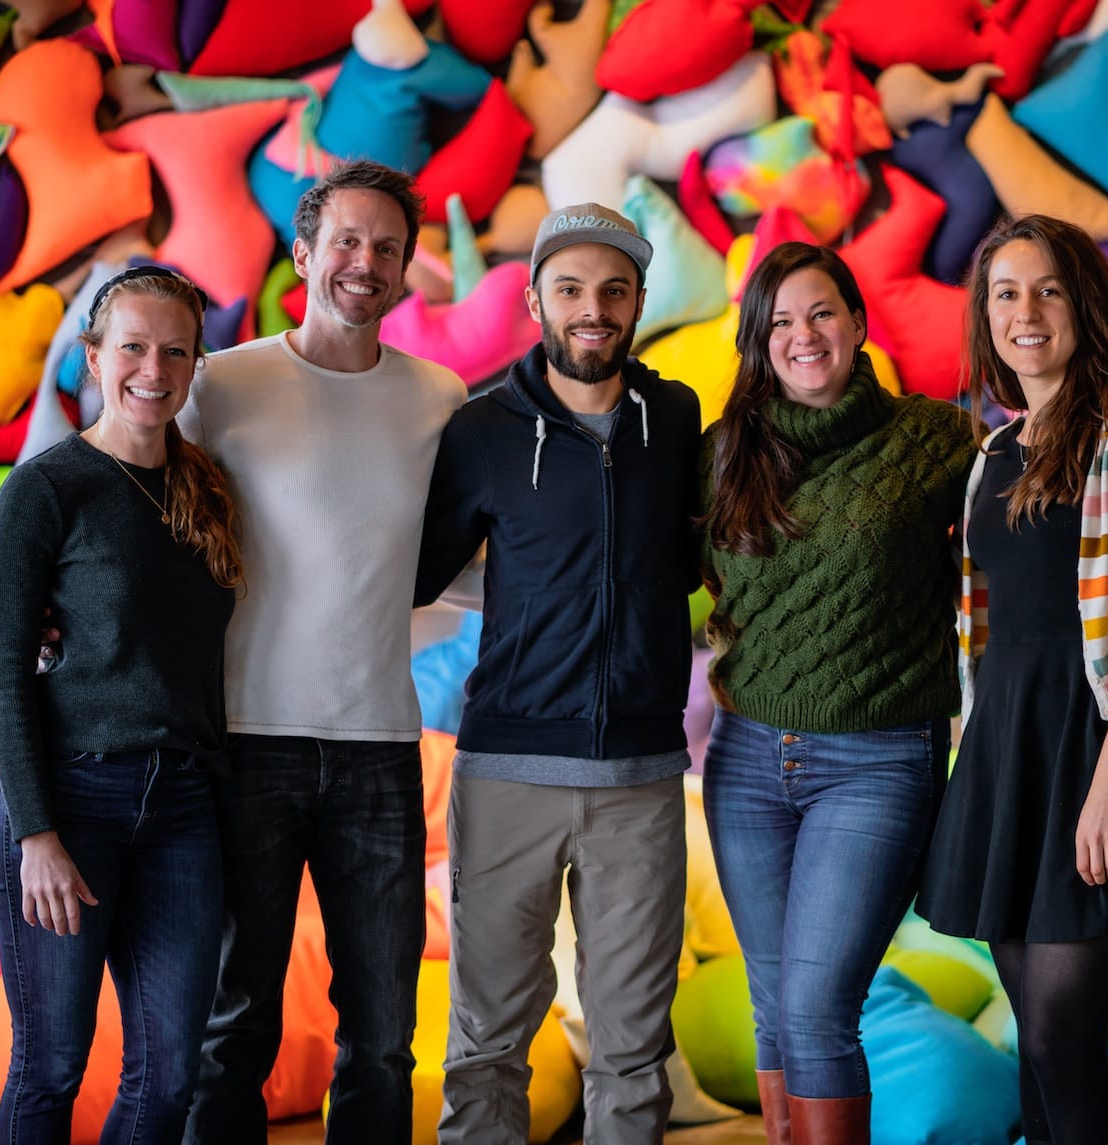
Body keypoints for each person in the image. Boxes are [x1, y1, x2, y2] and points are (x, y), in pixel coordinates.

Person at [180, 161, 466, 1145]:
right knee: (234, 1024)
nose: (366, 262)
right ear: (302, 253)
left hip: (381, 747)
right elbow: (138, 513)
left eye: (387, 247)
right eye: (347, 240)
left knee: (384, 1037)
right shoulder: (219, 382)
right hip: (245, 740)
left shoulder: (440, 396)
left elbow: (461, 559)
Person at [916, 214, 1108, 1145]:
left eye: (1047, 289)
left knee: (1061, 1035)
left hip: (1095, 746)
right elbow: (983, 627)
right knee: (1038, 1053)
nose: (1025, 311)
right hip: (1009, 750)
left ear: (1083, 303)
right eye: (1005, 293)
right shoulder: (991, 455)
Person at [414, 203, 701, 1145]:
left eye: (613, 291)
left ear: (639, 303)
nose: (593, 308)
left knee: (631, 1049)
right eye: (571, 288)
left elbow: (702, 552)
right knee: (487, 1043)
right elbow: (411, 573)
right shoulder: (484, 428)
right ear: (536, 297)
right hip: (506, 774)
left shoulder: (675, 415)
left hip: (643, 780)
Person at [697, 242, 976, 1145]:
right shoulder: (723, 454)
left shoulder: (937, 439)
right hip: (743, 759)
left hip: (879, 759)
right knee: (774, 1004)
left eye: (820, 312)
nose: (802, 334)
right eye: (779, 320)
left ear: (858, 323)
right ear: (758, 341)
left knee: (818, 1009)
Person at [0, 267, 242, 1143]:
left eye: (175, 350)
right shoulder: (43, 491)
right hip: (68, 804)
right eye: (132, 346)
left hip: (182, 811)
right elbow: (4, 680)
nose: (153, 369)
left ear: (197, 364)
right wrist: (36, 835)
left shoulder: (206, 488)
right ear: (93, 358)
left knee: (168, 1078)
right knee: (51, 1066)